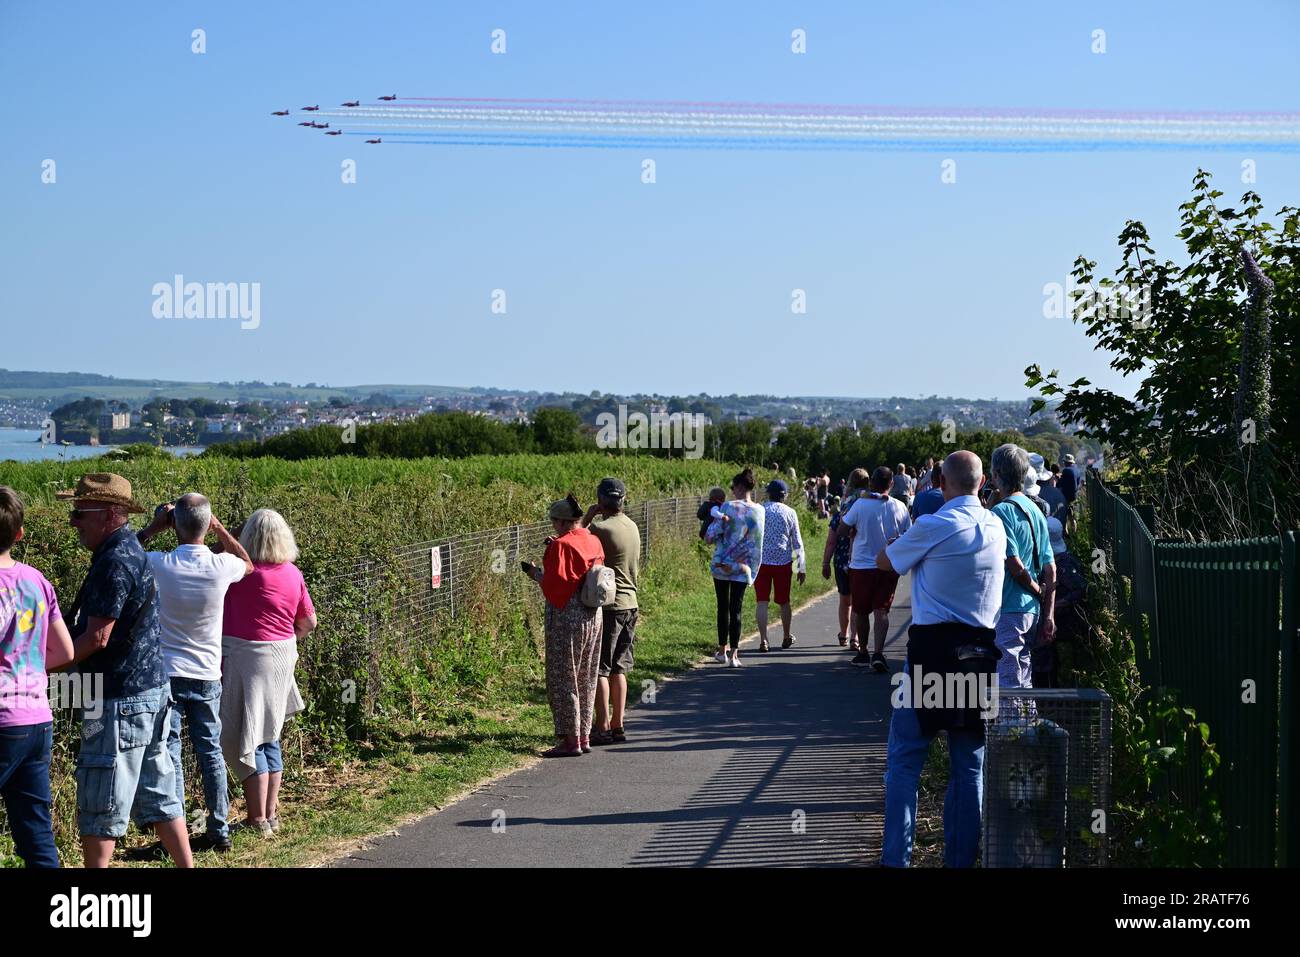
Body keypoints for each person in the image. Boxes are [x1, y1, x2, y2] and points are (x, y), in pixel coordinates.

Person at [875, 451, 1008, 867]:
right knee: (970, 767)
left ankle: (896, 859)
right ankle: (962, 859)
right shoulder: (996, 526)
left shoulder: (933, 525)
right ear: (983, 480)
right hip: (980, 657)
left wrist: (902, 541)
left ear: (939, 482)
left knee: (905, 760)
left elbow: (886, 563)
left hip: (931, 656)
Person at [57, 473, 192, 867]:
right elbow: (137, 545)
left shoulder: (113, 561)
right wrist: (154, 527)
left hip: (116, 699)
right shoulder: (128, 548)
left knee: (102, 798)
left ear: (111, 515)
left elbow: (96, 638)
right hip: (151, 692)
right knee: (161, 795)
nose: (73, 521)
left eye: (81, 513)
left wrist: (39, 667)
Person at [136, 493, 253, 853]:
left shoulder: (161, 563)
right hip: (206, 673)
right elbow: (248, 564)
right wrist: (217, 527)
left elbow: (121, 553)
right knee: (210, 753)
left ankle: (178, 834)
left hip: (167, 674)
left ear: (174, 525)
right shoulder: (221, 566)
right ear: (207, 523)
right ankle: (219, 830)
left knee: (170, 754)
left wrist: (155, 526)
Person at [219, 508, 316, 836]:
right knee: (270, 734)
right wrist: (285, 640)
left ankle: (256, 818)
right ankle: (270, 814)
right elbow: (308, 623)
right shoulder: (293, 573)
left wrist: (219, 531)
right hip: (282, 657)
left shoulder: (241, 574)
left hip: (247, 659)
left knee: (250, 735)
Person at [0, 486, 76, 867]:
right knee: (36, 834)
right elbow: (64, 652)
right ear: (19, 534)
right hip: (36, 719)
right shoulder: (37, 581)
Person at [524, 494, 605, 755]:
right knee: (586, 676)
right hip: (593, 615)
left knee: (563, 676)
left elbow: (553, 585)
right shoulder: (592, 539)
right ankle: (584, 736)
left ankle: (569, 740)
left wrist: (535, 572)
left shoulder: (559, 546)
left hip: (567, 618)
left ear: (560, 522)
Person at [988, 445, 1057, 691]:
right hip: (1033, 611)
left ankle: (1010, 729)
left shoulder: (1001, 512)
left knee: (1007, 678)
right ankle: (1027, 725)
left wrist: (1036, 589)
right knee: (1024, 673)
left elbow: (1015, 566)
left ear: (996, 474)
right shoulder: (1035, 510)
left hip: (1010, 605)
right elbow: (1051, 568)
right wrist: (1048, 612)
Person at [581, 478, 640, 746]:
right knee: (620, 667)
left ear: (601, 500)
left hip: (610, 607)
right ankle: (618, 723)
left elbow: (574, 540)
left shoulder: (600, 528)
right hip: (631, 603)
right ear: (623, 500)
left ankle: (601, 725)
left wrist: (588, 516)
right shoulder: (632, 526)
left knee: (600, 669)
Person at [834, 467, 911, 671]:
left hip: (861, 565)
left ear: (871, 483)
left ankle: (863, 652)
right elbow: (908, 535)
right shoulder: (900, 507)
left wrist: (852, 528)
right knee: (881, 611)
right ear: (892, 484)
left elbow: (841, 530)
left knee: (860, 611)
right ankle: (878, 653)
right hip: (888, 564)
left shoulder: (860, 505)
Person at [708, 468, 764, 668]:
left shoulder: (727, 507)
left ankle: (722, 651)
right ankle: (734, 655)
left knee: (722, 607)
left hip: (722, 564)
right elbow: (758, 542)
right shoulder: (760, 510)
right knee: (736, 608)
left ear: (740, 487)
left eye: (733, 487)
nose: (732, 491)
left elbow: (711, 535)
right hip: (743, 567)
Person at [1032, 517, 1087, 688]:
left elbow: (1079, 590)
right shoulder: (1061, 560)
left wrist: (1055, 604)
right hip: (1055, 624)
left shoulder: (1065, 563)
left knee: (1057, 664)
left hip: (1065, 626)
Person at [755, 479, 806, 652]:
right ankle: (786, 636)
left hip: (761, 562)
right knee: (784, 601)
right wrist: (800, 567)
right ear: (784, 496)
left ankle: (763, 640)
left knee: (762, 601)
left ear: (768, 493)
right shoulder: (790, 512)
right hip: (783, 562)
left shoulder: (760, 510)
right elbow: (797, 542)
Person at [822, 468, 867, 648]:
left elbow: (831, 541)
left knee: (845, 600)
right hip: (861, 558)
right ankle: (856, 637)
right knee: (858, 601)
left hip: (841, 559)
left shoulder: (844, 508)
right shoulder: (868, 505)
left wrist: (825, 562)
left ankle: (844, 634)